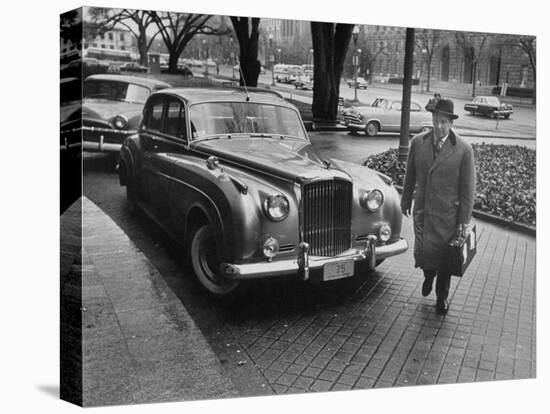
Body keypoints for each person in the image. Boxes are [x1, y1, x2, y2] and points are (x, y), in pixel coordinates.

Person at [400, 98, 476, 314]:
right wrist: (405, 199)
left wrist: (463, 221)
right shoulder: (418, 143)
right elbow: (410, 175)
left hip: (447, 216)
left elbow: (468, 189)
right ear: (432, 120)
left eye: (444, 122)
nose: (439, 126)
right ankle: (427, 275)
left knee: (445, 258)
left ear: (451, 123)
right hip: (423, 212)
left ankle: (441, 296)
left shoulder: (463, 150)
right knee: (425, 253)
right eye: (436, 121)